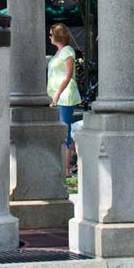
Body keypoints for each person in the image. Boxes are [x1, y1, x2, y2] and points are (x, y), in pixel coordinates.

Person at [47, 22, 82, 177]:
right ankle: (83, 158)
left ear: (57, 35)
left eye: (51, 34)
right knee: (63, 130)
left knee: (64, 132)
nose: (49, 37)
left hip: (65, 96)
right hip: (57, 96)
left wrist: (57, 94)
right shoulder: (58, 52)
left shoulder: (67, 51)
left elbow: (68, 75)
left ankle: (66, 170)